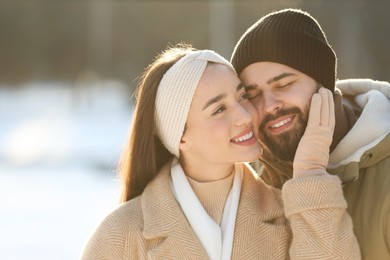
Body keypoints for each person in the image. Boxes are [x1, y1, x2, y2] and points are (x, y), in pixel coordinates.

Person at [81, 44, 360, 259]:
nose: (245, 116)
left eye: (242, 97)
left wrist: (310, 171)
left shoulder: (292, 214)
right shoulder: (120, 235)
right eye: (219, 109)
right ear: (181, 137)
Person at [231, 8, 390, 259]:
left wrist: (311, 177)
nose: (269, 104)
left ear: (324, 83)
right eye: (252, 95)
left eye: (284, 84)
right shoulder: (254, 184)